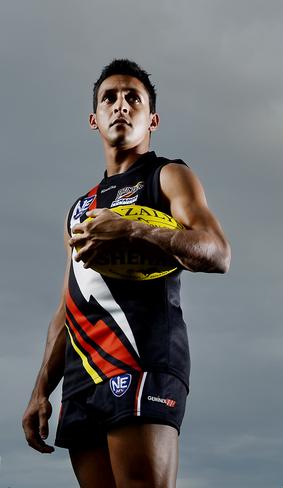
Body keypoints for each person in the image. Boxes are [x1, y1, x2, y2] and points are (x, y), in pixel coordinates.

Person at [21, 59, 230, 487]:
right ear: (94, 119)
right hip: (83, 374)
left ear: (151, 118)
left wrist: (135, 230)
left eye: (133, 98)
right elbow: (68, 303)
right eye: (109, 98)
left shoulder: (167, 175)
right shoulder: (81, 208)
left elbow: (217, 251)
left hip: (142, 357)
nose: (121, 105)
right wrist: (40, 389)